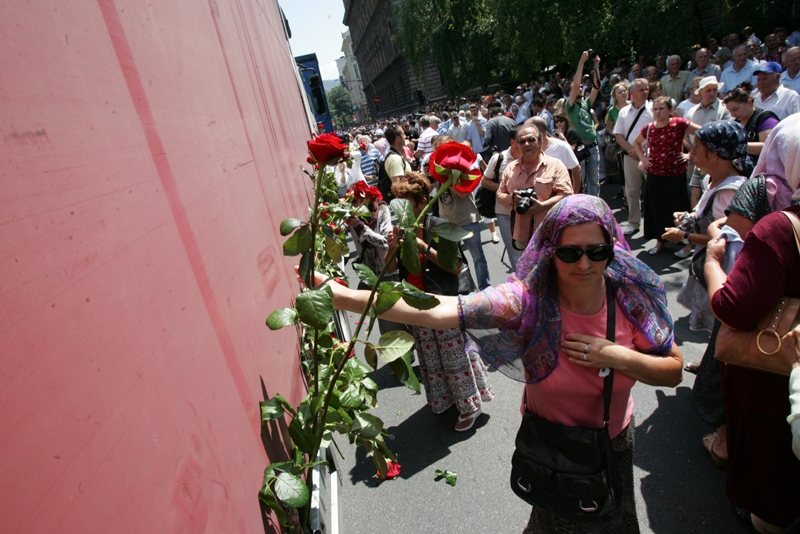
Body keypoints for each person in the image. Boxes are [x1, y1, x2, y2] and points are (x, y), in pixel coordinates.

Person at [310, 194, 682, 532]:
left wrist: (615, 356)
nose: (585, 264)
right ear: (551, 252)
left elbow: (674, 370)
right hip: (547, 445)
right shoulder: (527, 300)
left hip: (609, 445)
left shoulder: (631, 298)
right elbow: (438, 310)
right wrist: (344, 297)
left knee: (610, 520)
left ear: (612, 248)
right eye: (570, 253)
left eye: (597, 251)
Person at [704, 204, 800, 532]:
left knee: (772, 490)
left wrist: (712, 262)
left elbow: (733, 307)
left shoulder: (779, 230)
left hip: (774, 383)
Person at [385, 173, 494, 431]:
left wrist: (422, 246)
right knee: (430, 355)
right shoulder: (401, 228)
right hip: (414, 302)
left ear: (422, 203)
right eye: (397, 203)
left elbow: (455, 266)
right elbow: (390, 268)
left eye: (405, 203)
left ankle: (471, 405)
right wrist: (392, 247)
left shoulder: (438, 225)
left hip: (442, 301)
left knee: (453, 354)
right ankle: (445, 398)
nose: (399, 209)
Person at [664, 121, 749, 334]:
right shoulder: (713, 179)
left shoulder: (729, 191)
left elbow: (724, 239)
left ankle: (715, 364)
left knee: (720, 321)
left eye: (698, 147)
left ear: (716, 155)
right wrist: (690, 217)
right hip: (708, 260)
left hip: (722, 268)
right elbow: (705, 211)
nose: (692, 151)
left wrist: (684, 236)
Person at [633, 96, 701, 255]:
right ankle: (660, 241)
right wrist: (643, 158)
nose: (658, 112)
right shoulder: (648, 127)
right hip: (655, 175)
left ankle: (687, 244)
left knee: (681, 209)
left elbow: (702, 131)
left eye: (661, 108)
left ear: (669, 110)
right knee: (657, 209)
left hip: (676, 175)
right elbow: (637, 143)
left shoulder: (679, 123)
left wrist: (691, 154)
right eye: (655, 109)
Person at [497, 124, 573, 252]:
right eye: (522, 141)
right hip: (521, 236)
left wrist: (542, 206)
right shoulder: (510, 168)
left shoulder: (555, 166)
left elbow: (566, 195)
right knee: (526, 271)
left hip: (550, 236)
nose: (527, 144)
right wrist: (511, 198)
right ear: (517, 145)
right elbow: (500, 195)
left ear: (540, 141)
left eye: (531, 140)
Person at [614, 79, 654, 235]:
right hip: (630, 156)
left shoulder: (653, 109)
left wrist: (642, 154)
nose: (645, 92)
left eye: (646, 89)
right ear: (633, 93)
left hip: (650, 156)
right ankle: (633, 222)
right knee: (632, 191)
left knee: (653, 190)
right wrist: (633, 151)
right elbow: (619, 135)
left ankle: (654, 222)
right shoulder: (624, 111)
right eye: (641, 89)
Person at [566, 51, 602, 196]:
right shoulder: (570, 106)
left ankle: (594, 208)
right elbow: (575, 85)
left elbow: (597, 86)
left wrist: (596, 66)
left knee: (594, 182)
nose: (580, 88)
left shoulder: (587, 104)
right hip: (580, 149)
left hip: (592, 147)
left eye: (582, 87)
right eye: (577, 87)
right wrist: (581, 62)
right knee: (580, 182)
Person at [722, 83, 779, 167]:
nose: (732, 114)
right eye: (730, 111)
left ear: (749, 102)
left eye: (735, 109)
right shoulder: (736, 122)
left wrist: (738, 146)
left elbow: (768, 146)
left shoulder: (766, 119)